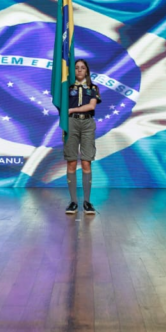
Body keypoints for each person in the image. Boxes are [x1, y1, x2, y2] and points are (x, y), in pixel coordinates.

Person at [64, 59, 100, 215]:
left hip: (87, 124)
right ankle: (73, 202)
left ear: (87, 71)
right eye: (76, 68)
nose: (79, 70)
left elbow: (92, 106)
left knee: (86, 162)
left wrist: (71, 110)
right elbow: (60, 103)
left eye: (82, 68)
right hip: (71, 124)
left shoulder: (93, 88)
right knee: (71, 161)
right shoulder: (67, 87)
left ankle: (87, 202)